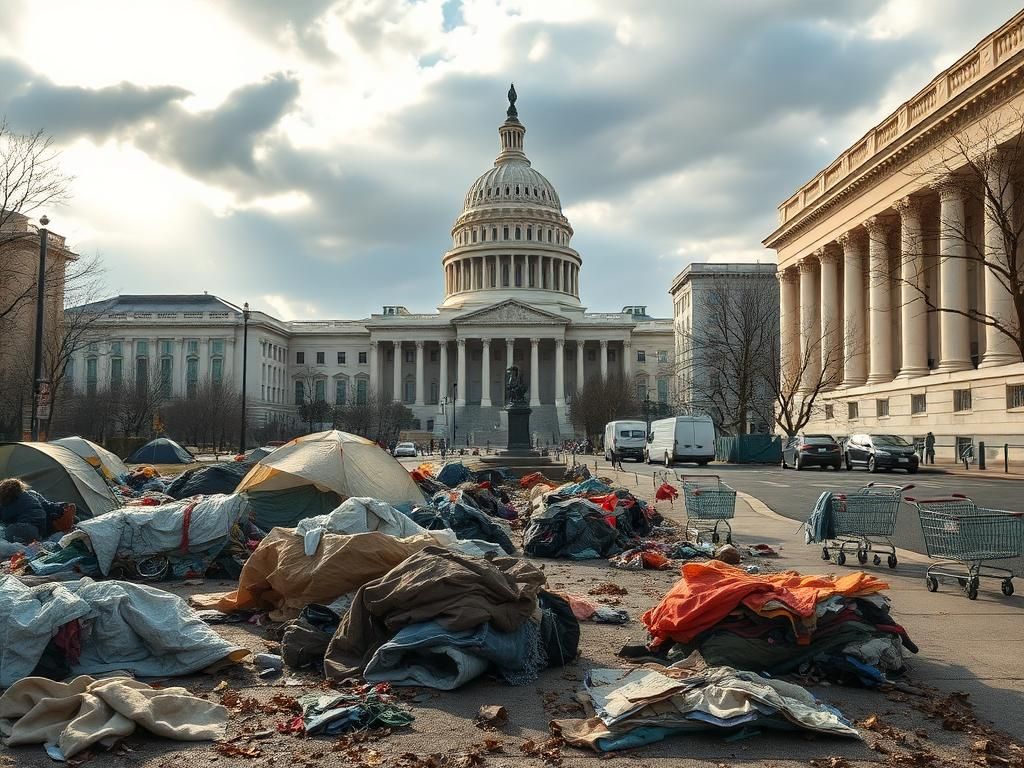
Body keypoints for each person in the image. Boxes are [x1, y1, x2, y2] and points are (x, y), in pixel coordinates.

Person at [0, 479, 75, 544]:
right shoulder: (32, 494)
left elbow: (5, 517)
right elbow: (48, 505)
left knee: (6, 532)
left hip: (23, 528)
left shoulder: (5, 503)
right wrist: (62, 507)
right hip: (40, 529)